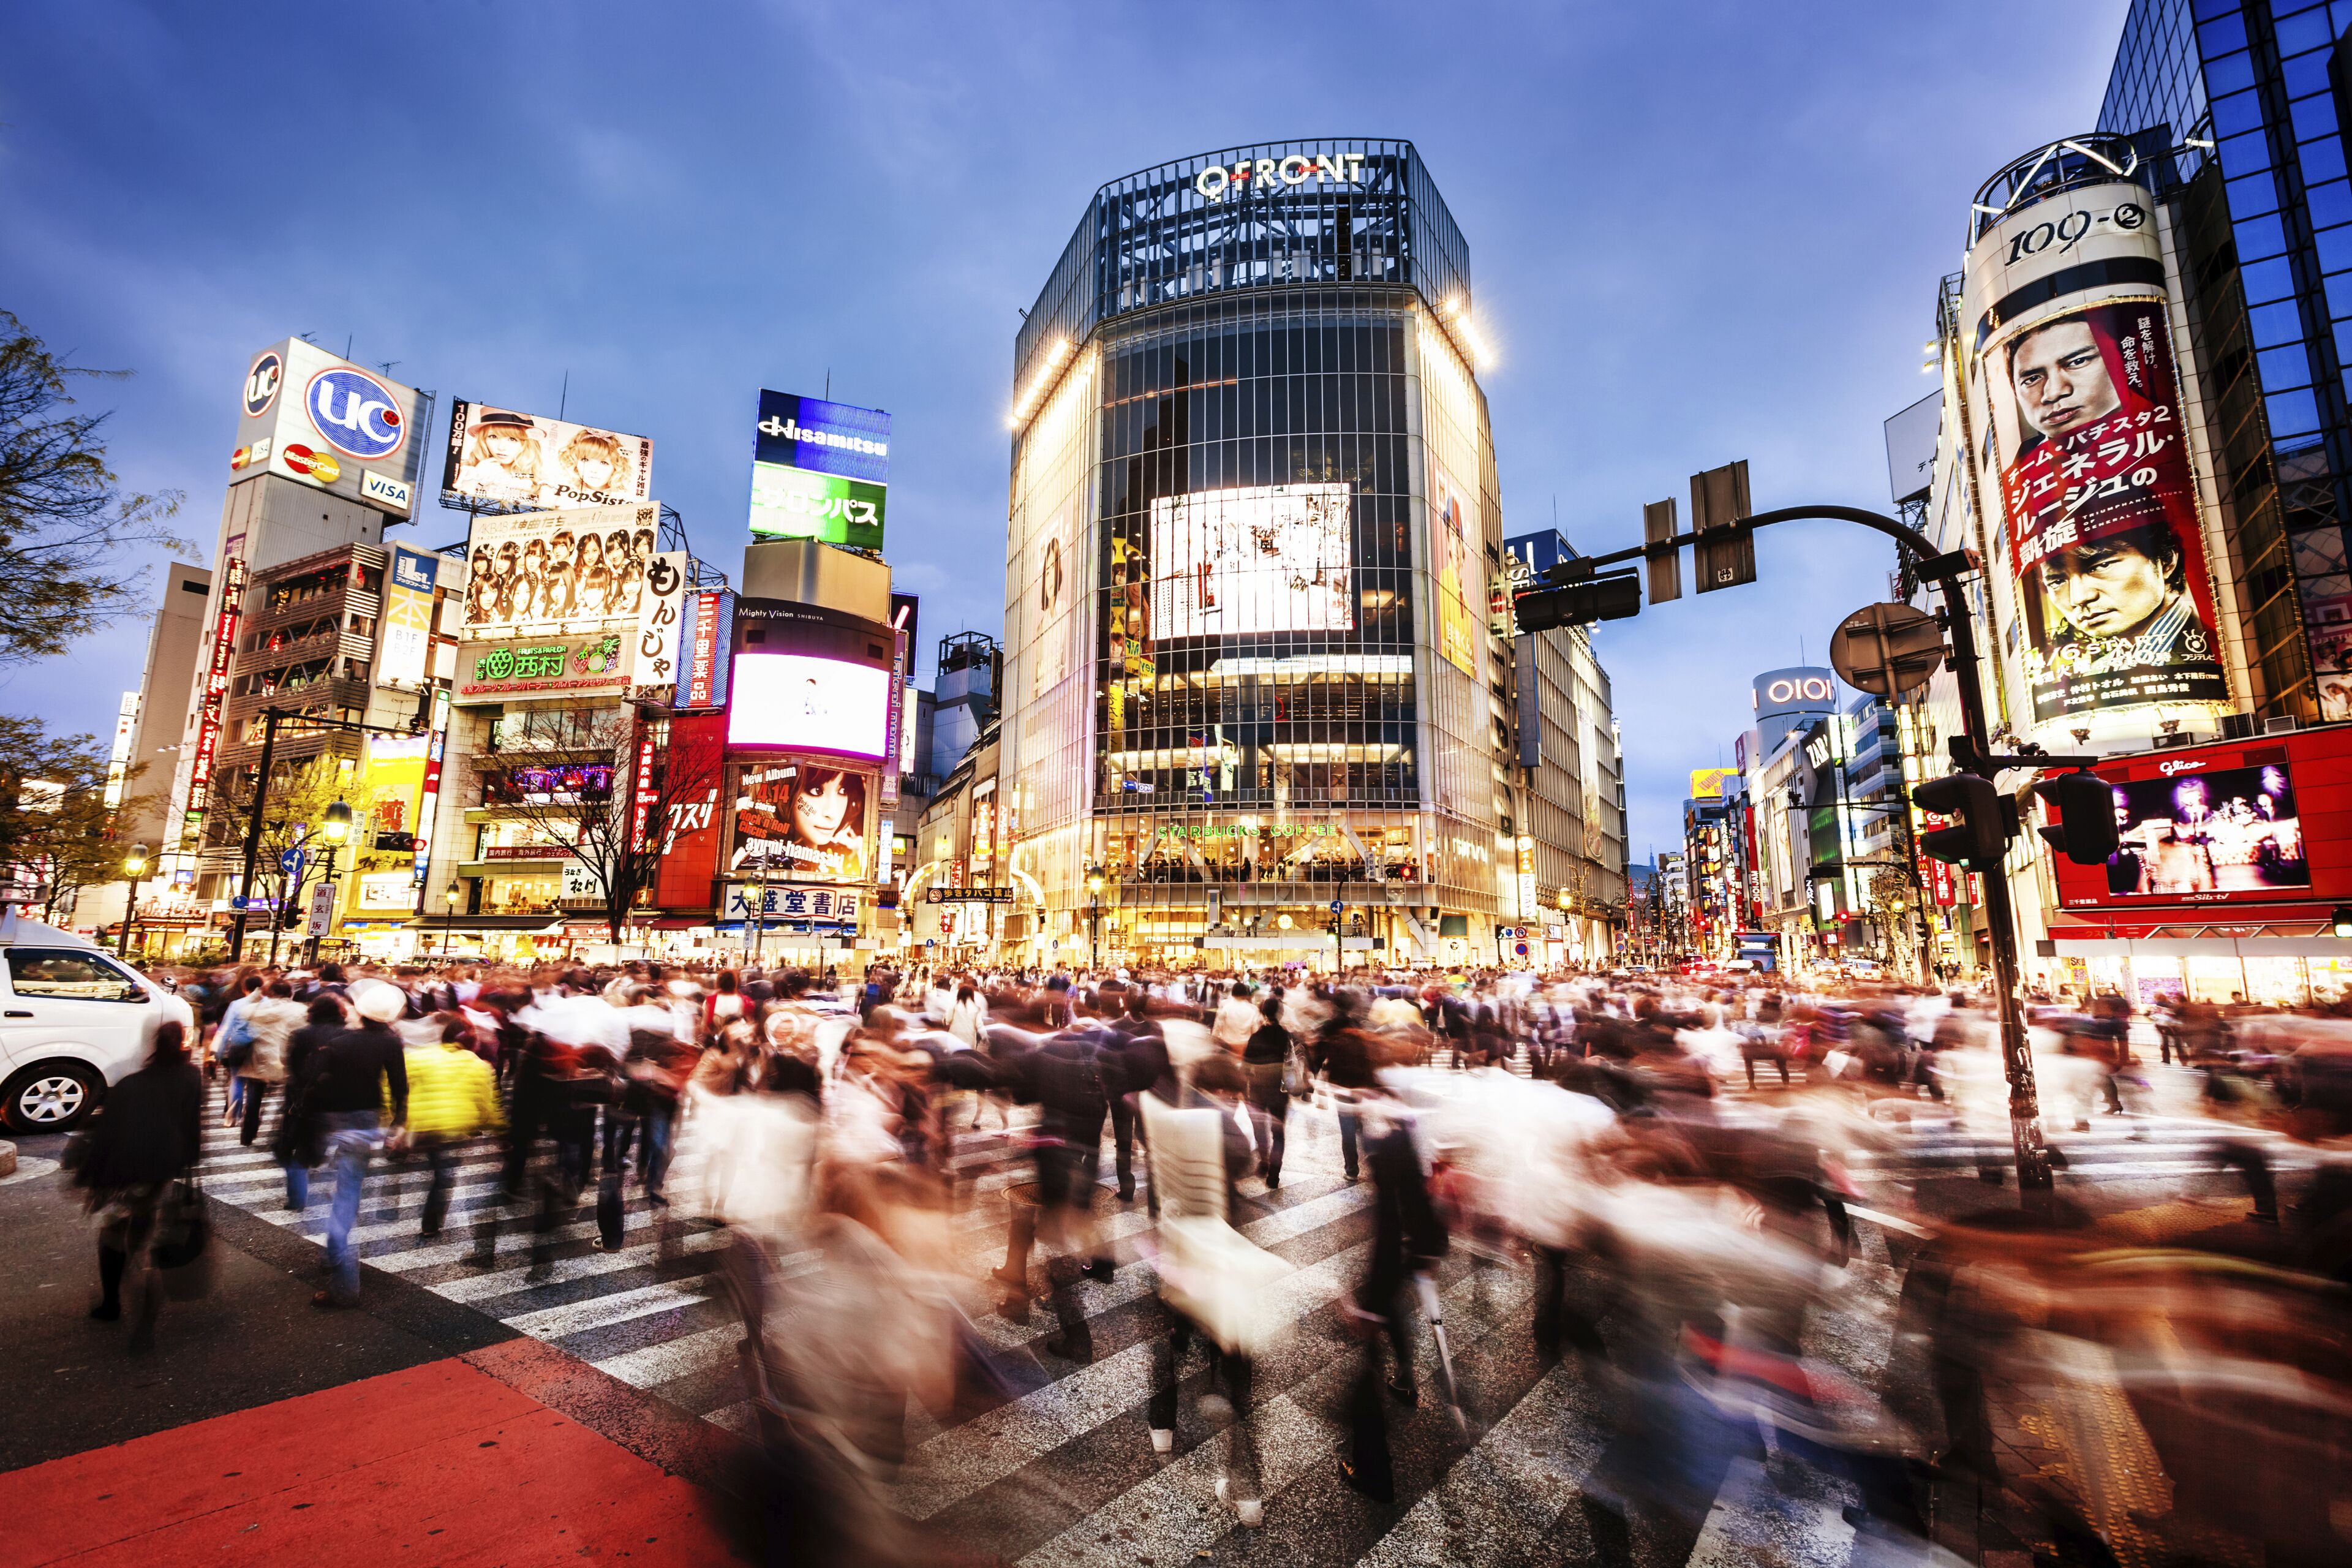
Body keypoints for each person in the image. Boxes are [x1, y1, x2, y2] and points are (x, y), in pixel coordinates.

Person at [72, 1019, 202, 1348]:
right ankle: (145, 1319)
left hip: (120, 1171)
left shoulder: (130, 1082)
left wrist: (89, 1178)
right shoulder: (191, 1077)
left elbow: (105, 1133)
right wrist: (189, 1160)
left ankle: (111, 1303)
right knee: (145, 1241)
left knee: (114, 1234)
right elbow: (192, 1127)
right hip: (160, 1167)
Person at [301, 979, 410, 1308]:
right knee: (346, 1194)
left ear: (359, 1013)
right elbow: (400, 1087)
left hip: (332, 1121)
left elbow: (313, 1084)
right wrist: (399, 1125)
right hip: (367, 1122)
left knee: (334, 1198)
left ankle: (344, 1283)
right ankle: (334, 1257)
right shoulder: (391, 1044)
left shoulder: (339, 1041)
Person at [399, 1013, 501, 1238]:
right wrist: (492, 1125)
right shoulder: (478, 1064)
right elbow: (485, 1102)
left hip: (424, 1127)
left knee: (438, 1172)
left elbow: (399, 1087)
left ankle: (427, 1220)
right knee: (443, 1177)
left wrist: (397, 1119)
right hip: (454, 1129)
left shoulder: (420, 1057)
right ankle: (430, 1224)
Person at [233, 979, 307, 1146]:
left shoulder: (257, 1009)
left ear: (269, 993)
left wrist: (257, 995)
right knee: (289, 1100)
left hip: (259, 1060)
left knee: (253, 1100)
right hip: (286, 1061)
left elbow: (244, 1010)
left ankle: (248, 1134)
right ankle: (284, 1135)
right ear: (290, 993)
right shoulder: (300, 1010)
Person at [1241, 998, 1292, 1188]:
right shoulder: (1287, 1036)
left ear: (1263, 1013)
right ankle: (1275, 1174)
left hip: (1257, 1089)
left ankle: (1264, 1160)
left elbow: (1245, 1067)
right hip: (1279, 1089)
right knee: (1278, 1132)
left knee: (1260, 1127)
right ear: (1281, 1013)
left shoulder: (1255, 1037)